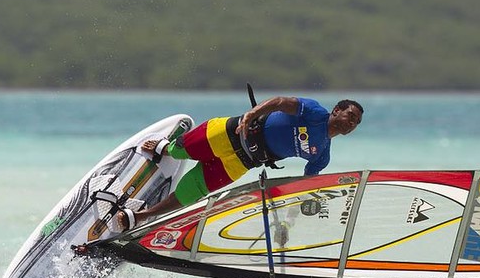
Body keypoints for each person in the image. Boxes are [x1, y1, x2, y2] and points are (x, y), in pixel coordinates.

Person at [117, 95, 364, 231]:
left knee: (191, 193)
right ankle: (166, 148)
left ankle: (141, 217)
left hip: (243, 162)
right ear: (336, 111)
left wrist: (289, 222)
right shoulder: (313, 111)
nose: (351, 123)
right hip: (233, 132)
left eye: (356, 123)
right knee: (182, 151)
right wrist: (252, 114)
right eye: (350, 116)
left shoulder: (322, 155)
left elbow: (304, 186)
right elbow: (279, 102)